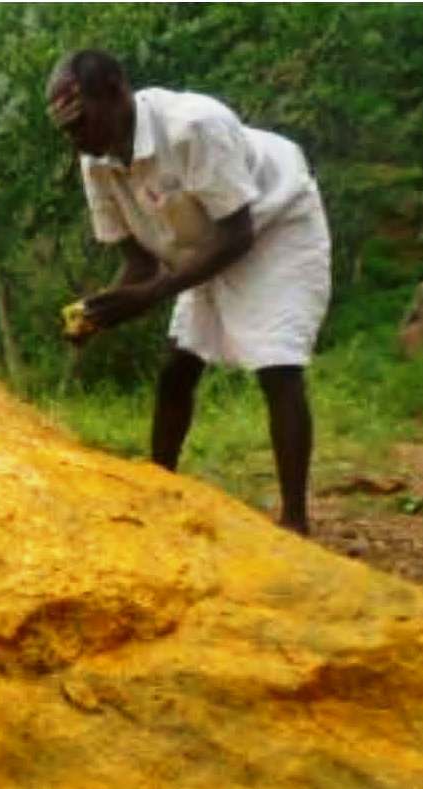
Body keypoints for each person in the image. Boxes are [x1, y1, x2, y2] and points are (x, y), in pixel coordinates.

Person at [46, 49, 331, 534]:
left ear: (117, 91)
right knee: (179, 366)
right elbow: (138, 262)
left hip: (271, 223)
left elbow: (238, 233)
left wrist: (154, 293)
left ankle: (296, 522)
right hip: (204, 241)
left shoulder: (195, 125)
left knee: (277, 366)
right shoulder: (96, 160)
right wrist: (102, 310)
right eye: (67, 131)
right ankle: (158, 489)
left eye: (83, 122)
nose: (78, 141)